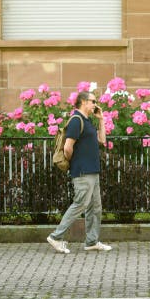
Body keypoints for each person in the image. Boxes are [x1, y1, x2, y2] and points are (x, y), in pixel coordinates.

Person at [46, 91, 112, 254]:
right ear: (83, 102)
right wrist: (75, 162)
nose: (95, 104)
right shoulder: (76, 120)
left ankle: (91, 241)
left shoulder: (88, 121)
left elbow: (102, 140)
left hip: (93, 170)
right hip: (83, 171)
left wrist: (101, 119)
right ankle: (56, 237)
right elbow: (68, 147)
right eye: (93, 101)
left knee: (95, 207)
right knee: (80, 204)